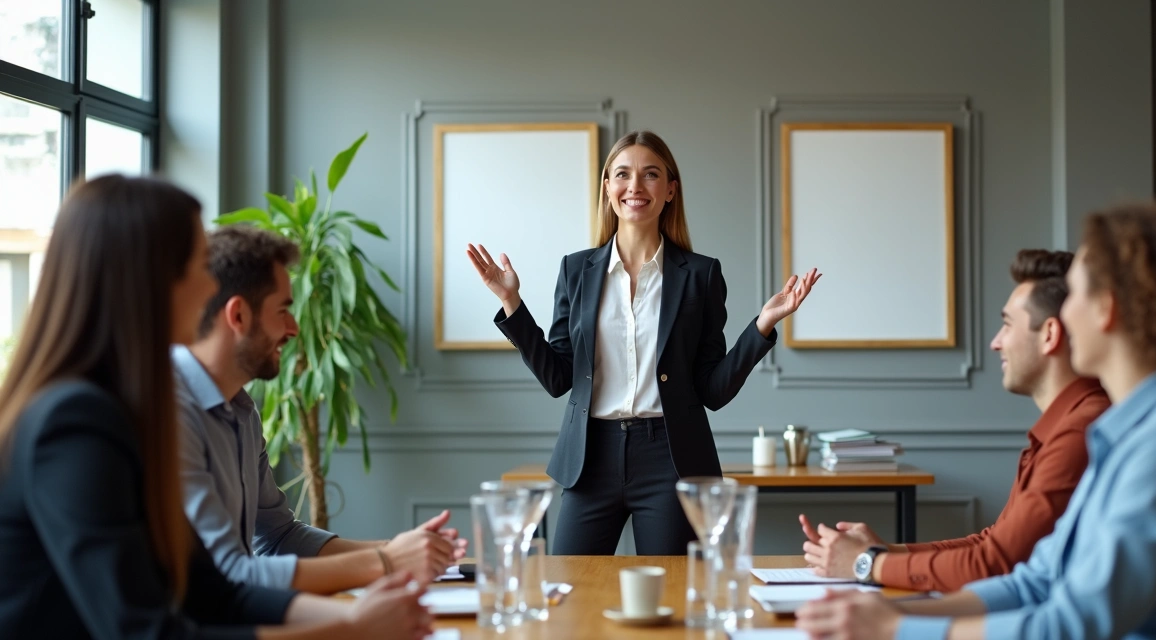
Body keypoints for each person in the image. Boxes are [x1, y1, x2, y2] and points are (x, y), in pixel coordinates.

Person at [0, 175, 431, 639]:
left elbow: (212, 591)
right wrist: (352, 628)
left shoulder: (133, 408)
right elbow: (145, 633)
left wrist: (354, 618)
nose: (212, 288)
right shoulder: (75, 423)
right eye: (200, 265)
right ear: (151, 279)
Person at [796, 202, 1156, 639]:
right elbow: (1036, 579)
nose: (1066, 315)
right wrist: (890, 615)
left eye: (1074, 293)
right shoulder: (1126, 434)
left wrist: (898, 628)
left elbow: (1074, 625)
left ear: (1106, 308)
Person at [467, 130, 821, 555]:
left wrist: (762, 325)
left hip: (671, 460)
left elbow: (713, 390)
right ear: (608, 188)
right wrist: (511, 302)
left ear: (670, 189)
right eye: (622, 175)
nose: (635, 186)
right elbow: (559, 378)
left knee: (671, 599)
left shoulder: (701, 275)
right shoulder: (576, 270)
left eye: (650, 175)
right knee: (571, 592)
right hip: (589, 458)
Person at [177, 224, 467, 594]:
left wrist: (400, 551)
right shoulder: (171, 412)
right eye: (284, 310)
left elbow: (278, 537)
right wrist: (387, 563)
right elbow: (225, 577)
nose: (295, 328)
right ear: (238, 316)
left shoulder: (243, 412)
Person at [799, 249, 1110, 592]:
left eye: (1007, 325)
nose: (995, 343)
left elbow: (995, 564)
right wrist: (886, 553)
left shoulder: (1081, 432)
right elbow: (991, 543)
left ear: (1049, 335)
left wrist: (867, 564)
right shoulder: (1067, 425)